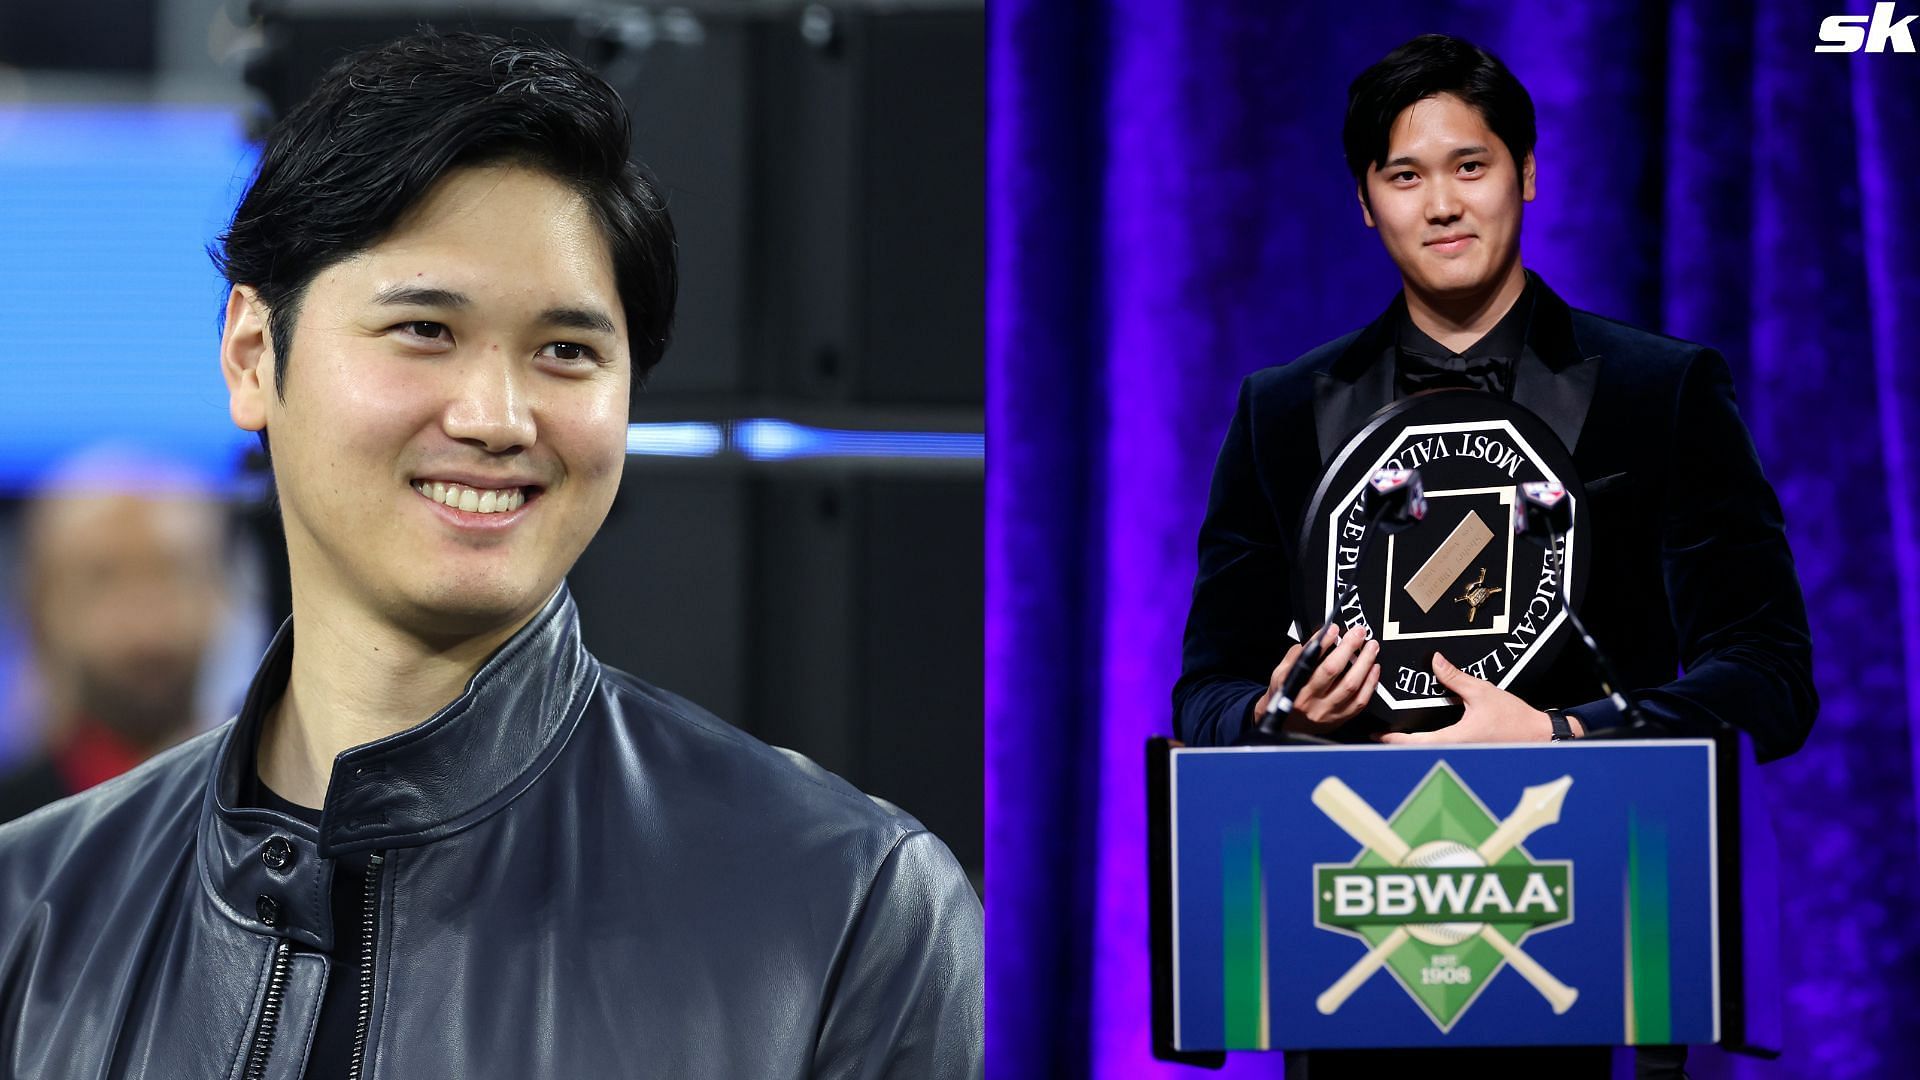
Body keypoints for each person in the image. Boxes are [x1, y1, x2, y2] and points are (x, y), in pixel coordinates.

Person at [0, 30, 982, 1080]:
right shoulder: (32, 915)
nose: (497, 416)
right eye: (424, 328)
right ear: (253, 354)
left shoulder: (846, 908)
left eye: (567, 352)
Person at [1171, 33, 1815, 1078]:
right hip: (1352, 955)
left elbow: (1773, 681)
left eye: (1470, 165)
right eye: (1405, 174)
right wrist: (1280, 712)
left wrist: (1566, 729)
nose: (1442, 204)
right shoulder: (1283, 413)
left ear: (1526, 172)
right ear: (1364, 201)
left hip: (1596, 953)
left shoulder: (1664, 392)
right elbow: (1204, 695)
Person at [0, 448, 227, 823]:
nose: (144, 625)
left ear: (221, 593)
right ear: (40, 604)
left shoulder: (278, 821)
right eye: (103, 579)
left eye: (173, 574)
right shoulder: (12, 839)